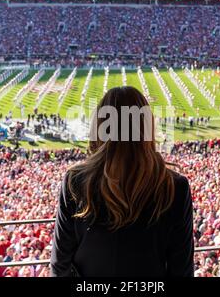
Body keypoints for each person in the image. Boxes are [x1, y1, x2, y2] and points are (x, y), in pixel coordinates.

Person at [50, 86, 194, 277]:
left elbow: (60, 265)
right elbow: (181, 271)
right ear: (146, 126)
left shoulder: (75, 181)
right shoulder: (176, 186)